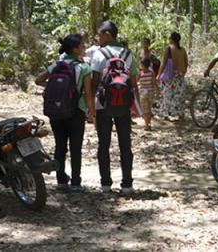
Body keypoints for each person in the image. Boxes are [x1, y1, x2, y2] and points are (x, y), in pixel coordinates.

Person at [35, 33, 95, 193]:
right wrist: (92, 112)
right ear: (75, 50)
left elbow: (38, 80)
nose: (84, 48)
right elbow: (88, 93)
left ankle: (61, 181)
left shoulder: (56, 65)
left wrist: (55, 88)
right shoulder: (84, 67)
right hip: (76, 110)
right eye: (82, 46)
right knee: (75, 147)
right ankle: (76, 183)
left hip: (56, 111)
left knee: (60, 146)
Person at [90, 20, 139, 195]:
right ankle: (127, 184)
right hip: (124, 105)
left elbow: (94, 82)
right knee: (125, 144)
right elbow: (134, 82)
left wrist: (91, 108)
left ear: (108, 34)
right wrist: (135, 106)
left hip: (103, 105)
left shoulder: (99, 54)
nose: (98, 38)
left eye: (100, 34)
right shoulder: (128, 54)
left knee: (104, 144)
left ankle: (105, 184)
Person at [156, 32, 188, 120]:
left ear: (171, 39)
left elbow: (163, 63)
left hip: (170, 76)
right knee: (179, 96)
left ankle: (166, 114)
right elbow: (186, 63)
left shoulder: (169, 48)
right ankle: (180, 114)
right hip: (180, 76)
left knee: (167, 95)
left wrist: (159, 75)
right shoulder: (183, 50)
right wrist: (183, 72)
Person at [138, 58, 157, 131]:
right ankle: (148, 124)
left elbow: (136, 81)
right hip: (150, 92)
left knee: (145, 110)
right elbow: (154, 82)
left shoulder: (140, 73)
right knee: (149, 109)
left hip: (143, 93)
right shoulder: (151, 73)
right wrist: (157, 92)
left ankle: (147, 125)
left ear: (143, 65)